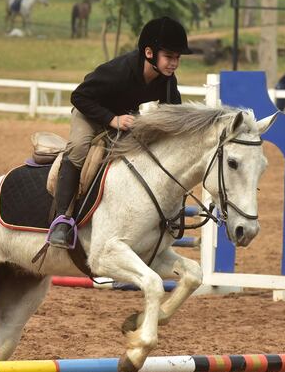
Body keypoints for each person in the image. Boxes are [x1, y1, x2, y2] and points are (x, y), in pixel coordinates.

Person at [47, 16, 191, 248]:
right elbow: (79, 96)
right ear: (149, 53)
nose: (174, 63)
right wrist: (112, 119)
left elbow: (173, 116)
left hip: (125, 120)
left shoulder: (167, 81)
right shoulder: (118, 70)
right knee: (79, 149)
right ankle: (62, 220)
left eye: (177, 57)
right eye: (169, 57)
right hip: (92, 114)